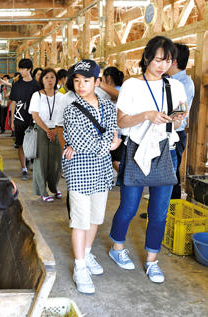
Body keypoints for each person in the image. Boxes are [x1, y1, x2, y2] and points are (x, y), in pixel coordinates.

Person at [109, 36, 188, 284]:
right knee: (129, 207)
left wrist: (175, 118)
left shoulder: (175, 86)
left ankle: (152, 260)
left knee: (159, 212)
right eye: (158, 60)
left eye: (168, 61)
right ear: (146, 58)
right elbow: (121, 122)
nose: (163, 65)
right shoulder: (132, 85)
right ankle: (117, 248)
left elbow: (178, 121)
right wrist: (146, 115)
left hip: (166, 150)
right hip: (136, 150)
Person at [62, 59, 119, 294]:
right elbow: (81, 142)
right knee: (80, 221)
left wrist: (108, 143)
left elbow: (114, 132)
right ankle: (80, 267)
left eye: (86, 80)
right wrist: (110, 144)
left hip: (102, 170)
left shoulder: (109, 108)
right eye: (76, 80)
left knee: (95, 219)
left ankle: (86, 254)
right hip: (79, 172)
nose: (80, 85)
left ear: (97, 81)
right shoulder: (71, 109)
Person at [28, 68, 64, 201]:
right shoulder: (36, 95)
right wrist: (48, 130)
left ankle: (54, 187)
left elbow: (64, 115)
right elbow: (35, 115)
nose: (50, 80)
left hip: (58, 129)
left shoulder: (61, 96)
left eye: (52, 77)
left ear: (56, 80)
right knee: (41, 161)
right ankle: (42, 191)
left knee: (56, 162)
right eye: (46, 77)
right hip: (41, 130)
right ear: (42, 80)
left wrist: (55, 130)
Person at [166, 43, 195, 199]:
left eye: (167, 57)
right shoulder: (167, 80)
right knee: (163, 176)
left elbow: (180, 111)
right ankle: (161, 212)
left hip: (175, 133)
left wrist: (158, 116)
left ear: (174, 61)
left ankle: (171, 212)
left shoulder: (185, 83)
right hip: (166, 131)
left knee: (172, 176)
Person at [9, 59, 40, 181]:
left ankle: (32, 164)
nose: (21, 71)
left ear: (29, 70)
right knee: (21, 144)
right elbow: (13, 103)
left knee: (34, 143)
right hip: (19, 119)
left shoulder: (37, 85)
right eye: (20, 68)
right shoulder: (16, 85)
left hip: (33, 119)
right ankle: (24, 169)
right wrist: (12, 120)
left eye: (23, 69)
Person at [101, 67, 125, 182]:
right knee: (114, 159)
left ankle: (125, 179)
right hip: (114, 132)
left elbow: (120, 96)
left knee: (116, 159)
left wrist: (99, 84)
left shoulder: (119, 90)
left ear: (108, 78)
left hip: (117, 133)